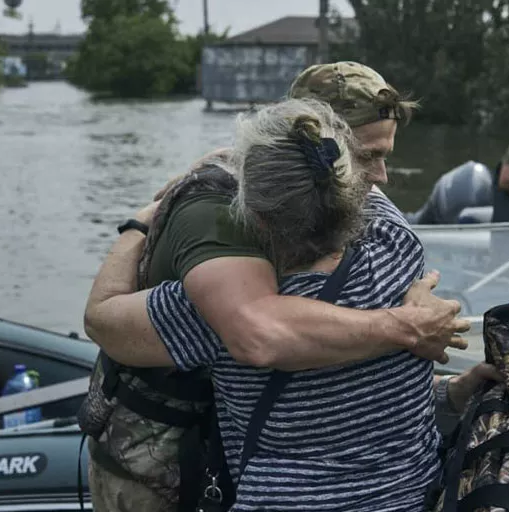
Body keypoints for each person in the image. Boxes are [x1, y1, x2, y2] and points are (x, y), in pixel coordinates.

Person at [79, 62, 474, 512]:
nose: (381, 175)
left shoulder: (213, 311)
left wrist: (140, 222)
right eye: (368, 159)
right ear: (344, 178)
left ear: (253, 211)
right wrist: (442, 382)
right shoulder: (398, 250)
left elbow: (102, 317)